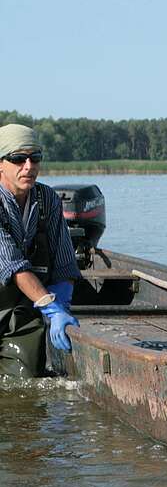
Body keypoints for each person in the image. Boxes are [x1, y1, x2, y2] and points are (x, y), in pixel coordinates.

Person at [0, 124, 81, 377]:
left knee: (25, 379)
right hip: (16, 291)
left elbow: (65, 264)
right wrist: (50, 306)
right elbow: (13, 266)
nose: (29, 166)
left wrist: (62, 306)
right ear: (1, 163)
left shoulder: (47, 199)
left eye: (35, 158)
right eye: (18, 158)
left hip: (22, 311)